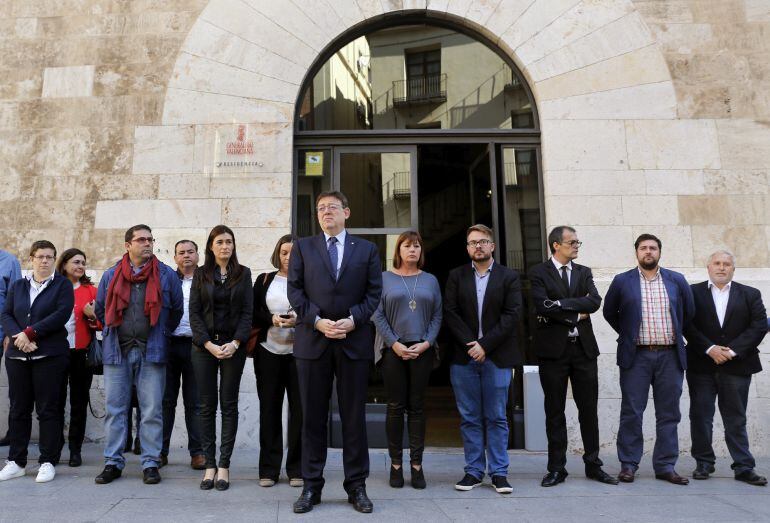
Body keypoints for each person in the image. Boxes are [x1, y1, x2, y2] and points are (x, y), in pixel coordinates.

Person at [288, 191, 382, 514]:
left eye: (332, 207)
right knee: (311, 417)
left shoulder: (367, 250)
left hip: (353, 342)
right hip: (313, 342)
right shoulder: (302, 247)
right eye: (320, 208)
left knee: (354, 416)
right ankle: (311, 486)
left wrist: (353, 320)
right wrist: (317, 322)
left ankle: (356, 485)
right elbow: (295, 291)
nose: (325, 212)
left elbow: (374, 294)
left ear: (347, 212)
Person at [94, 224, 183, 485]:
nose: (147, 243)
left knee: (152, 410)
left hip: (152, 351)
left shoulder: (166, 275)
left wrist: (161, 334)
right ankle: (113, 462)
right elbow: (101, 311)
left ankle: (150, 463)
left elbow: (175, 311)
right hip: (117, 353)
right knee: (115, 410)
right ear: (128, 245)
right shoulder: (111, 275)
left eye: (150, 239)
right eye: (141, 239)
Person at [529, 226, 617, 487]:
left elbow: (594, 302)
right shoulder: (538, 272)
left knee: (588, 410)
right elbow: (541, 304)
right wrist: (575, 313)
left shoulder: (584, 272)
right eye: (572, 242)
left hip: (583, 351)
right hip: (553, 353)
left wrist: (559, 306)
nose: (577, 245)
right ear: (556, 245)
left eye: (578, 242)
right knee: (554, 411)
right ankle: (557, 468)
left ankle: (593, 465)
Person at [603, 233, 694, 485]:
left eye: (653, 248)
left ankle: (665, 465)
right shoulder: (623, 281)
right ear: (636, 253)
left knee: (669, 413)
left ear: (660, 252)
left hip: (670, 356)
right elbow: (610, 312)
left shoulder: (676, 280)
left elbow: (689, 312)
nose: (648, 252)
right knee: (632, 411)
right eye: (643, 248)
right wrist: (628, 333)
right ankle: (629, 465)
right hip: (637, 357)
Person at [443, 224, 522, 495]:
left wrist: (485, 345)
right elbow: (450, 313)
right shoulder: (456, 276)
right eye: (473, 242)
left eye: (483, 241)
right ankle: (473, 471)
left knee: (497, 416)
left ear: (492, 246)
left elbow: (512, 315)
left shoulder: (508, 277)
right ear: (467, 248)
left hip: (497, 357)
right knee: (469, 418)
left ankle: (499, 473)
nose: (478, 246)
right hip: (463, 358)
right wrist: (472, 345)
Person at [684, 250, 768, 486]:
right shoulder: (692, 293)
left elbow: (759, 325)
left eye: (727, 264)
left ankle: (743, 466)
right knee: (700, 416)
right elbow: (685, 324)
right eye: (717, 263)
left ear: (733, 268)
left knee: (736, 418)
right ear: (708, 267)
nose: (722, 267)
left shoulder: (750, 294)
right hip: (701, 365)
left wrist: (730, 351)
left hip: (738, 365)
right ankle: (703, 463)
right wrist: (710, 348)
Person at [372, 230, 442, 489]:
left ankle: (417, 465)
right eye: (407, 246)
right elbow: (377, 315)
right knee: (395, 406)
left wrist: (426, 343)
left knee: (417, 406)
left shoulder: (431, 280)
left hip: (422, 349)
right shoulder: (384, 279)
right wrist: (395, 344)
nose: (412, 250)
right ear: (398, 251)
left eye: (416, 246)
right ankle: (396, 465)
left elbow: (437, 315)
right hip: (393, 350)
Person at [0, 241, 74, 483]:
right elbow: (7, 313)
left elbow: (61, 314)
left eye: (49, 257)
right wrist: (18, 336)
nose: (45, 261)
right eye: (40, 256)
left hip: (50, 356)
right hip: (18, 357)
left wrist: (29, 333)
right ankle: (16, 461)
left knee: (48, 409)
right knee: (18, 409)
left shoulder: (62, 285)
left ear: (54, 260)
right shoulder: (19, 285)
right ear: (31, 258)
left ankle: (47, 461)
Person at [189, 225, 253, 491]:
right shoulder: (201, 274)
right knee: (205, 406)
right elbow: (193, 313)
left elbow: (248, 313)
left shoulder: (244, 274)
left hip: (233, 348)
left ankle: (224, 465)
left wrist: (236, 342)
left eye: (229, 242)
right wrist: (208, 343)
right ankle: (209, 465)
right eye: (220, 242)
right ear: (211, 247)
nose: (225, 246)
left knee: (228, 405)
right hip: (204, 348)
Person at [252, 234, 302, 488]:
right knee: (269, 410)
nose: (288, 257)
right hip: (268, 352)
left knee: (299, 412)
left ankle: (297, 469)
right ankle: (269, 470)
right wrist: (271, 320)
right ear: (277, 254)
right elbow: (252, 312)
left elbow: (318, 309)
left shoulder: (309, 280)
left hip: (300, 355)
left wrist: (298, 320)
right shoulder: (264, 280)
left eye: (293, 252)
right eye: (284, 252)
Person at [161, 240, 205, 470]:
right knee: (165, 402)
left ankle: (198, 453)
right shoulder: (167, 279)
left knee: (195, 402)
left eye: (190, 252)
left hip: (197, 346)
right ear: (175, 257)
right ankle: (161, 451)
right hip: (169, 345)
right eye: (181, 253)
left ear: (198, 255)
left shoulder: (207, 279)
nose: (186, 256)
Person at [56, 248, 101, 468]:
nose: (80, 266)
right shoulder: (53, 288)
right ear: (64, 264)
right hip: (55, 353)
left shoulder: (92, 290)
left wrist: (92, 317)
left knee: (79, 403)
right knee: (53, 402)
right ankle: (53, 448)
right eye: (75, 262)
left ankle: (75, 449)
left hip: (81, 353)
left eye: (83, 262)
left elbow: (103, 322)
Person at [0, 248, 22, 448]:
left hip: (1, 333)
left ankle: (13, 434)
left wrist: (10, 332)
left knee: (15, 388)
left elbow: (15, 299)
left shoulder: (9, 261)